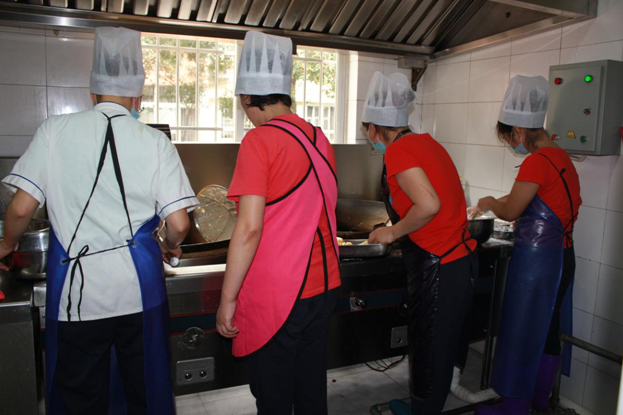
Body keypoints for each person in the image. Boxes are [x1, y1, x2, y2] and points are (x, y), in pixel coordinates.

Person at [0, 27, 198, 414]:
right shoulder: (155, 141)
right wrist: (166, 245)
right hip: (139, 292)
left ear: (92, 94)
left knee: (80, 396)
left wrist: (6, 245)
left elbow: (21, 209)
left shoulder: (55, 130)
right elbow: (178, 224)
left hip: (78, 295)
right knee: (143, 391)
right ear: (137, 97)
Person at [215, 31, 340, 415]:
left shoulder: (259, 141)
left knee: (274, 397)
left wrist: (227, 299)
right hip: (325, 286)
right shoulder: (319, 137)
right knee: (310, 390)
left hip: (281, 293)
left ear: (247, 98)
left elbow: (249, 228)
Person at [362, 72, 477, 415]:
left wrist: (392, 232)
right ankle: (423, 407)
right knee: (439, 348)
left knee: (430, 351)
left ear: (374, 127)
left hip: (439, 264)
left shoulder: (398, 150)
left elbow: (428, 205)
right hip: (461, 258)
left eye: (367, 130)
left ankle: (423, 410)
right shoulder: (427, 142)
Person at [470, 75, 581, 415]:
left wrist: (489, 202)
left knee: (523, 328)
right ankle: (538, 401)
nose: (511, 144)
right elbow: (525, 194)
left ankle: (513, 407)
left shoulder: (536, 161)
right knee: (546, 328)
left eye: (509, 138)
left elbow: (512, 210)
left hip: (538, 262)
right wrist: (493, 201)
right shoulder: (560, 156)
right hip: (562, 256)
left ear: (518, 130)